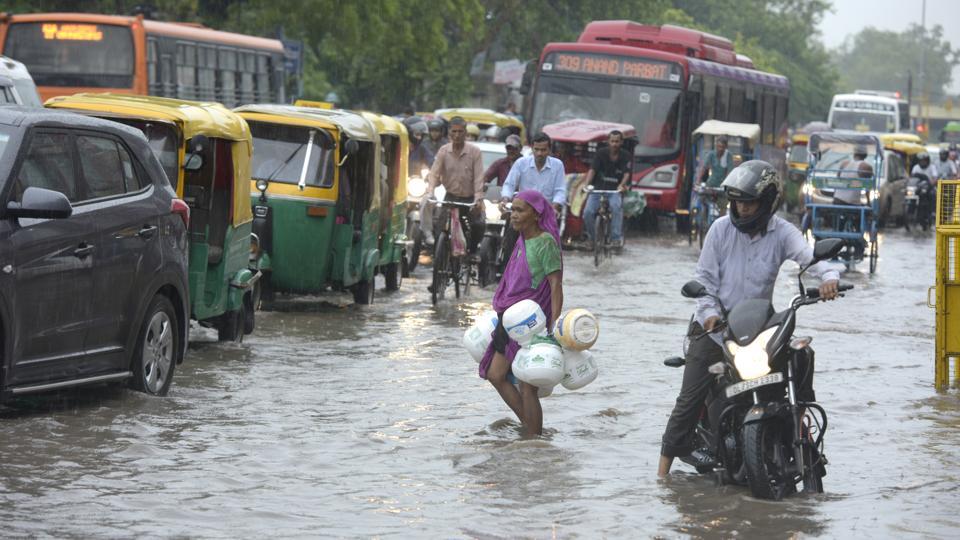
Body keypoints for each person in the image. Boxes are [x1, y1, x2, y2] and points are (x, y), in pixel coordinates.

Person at [657, 161, 841, 477]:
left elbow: (809, 258)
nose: (743, 209)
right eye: (738, 202)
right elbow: (703, 280)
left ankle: (802, 439)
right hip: (712, 330)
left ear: (768, 201)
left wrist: (830, 278)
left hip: (757, 329)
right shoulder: (719, 230)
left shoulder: (783, 232)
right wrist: (711, 315)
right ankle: (662, 476)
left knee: (801, 359)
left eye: (749, 202)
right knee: (688, 403)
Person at [479, 189, 563, 437]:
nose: (513, 215)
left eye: (520, 210)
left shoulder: (546, 242)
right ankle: (533, 431)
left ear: (536, 215)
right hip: (510, 319)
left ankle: (534, 440)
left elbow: (555, 285)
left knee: (527, 385)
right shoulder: (521, 240)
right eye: (512, 210)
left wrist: (554, 326)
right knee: (496, 375)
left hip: (530, 324)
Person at [422, 116, 485, 254]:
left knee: (478, 226)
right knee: (439, 229)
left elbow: (479, 177)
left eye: (460, 131)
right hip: (450, 198)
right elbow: (434, 173)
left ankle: (472, 253)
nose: (457, 135)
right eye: (454, 131)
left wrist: (478, 199)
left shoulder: (475, 152)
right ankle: (440, 261)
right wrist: (430, 191)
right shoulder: (444, 151)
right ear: (449, 132)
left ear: (465, 132)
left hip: (469, 200)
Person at [581, 130, 632, 248]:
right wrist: (586, 185)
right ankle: (593, 239)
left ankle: (615, 239)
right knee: (587, 213)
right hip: (597, 189)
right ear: (608, 142)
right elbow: (592, 170)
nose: (614, 144)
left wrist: (622, 185)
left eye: (617, 141)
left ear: (621, 142)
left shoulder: (625, 155)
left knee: (616, 207)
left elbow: (626, 173)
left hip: (614, 191)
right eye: (612, 141)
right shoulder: (600, 153)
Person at [501, 132, 567, 217]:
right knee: (510, 228)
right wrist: (505, 200)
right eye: (536, 149)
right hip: (522, 211)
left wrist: (554, 207)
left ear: (549, 150)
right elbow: (509, 184)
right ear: (532, 148)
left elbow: (560, 190)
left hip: (545, 212)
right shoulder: (521, 163)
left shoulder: (557, 165)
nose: (539, 153)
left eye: (543, 150)